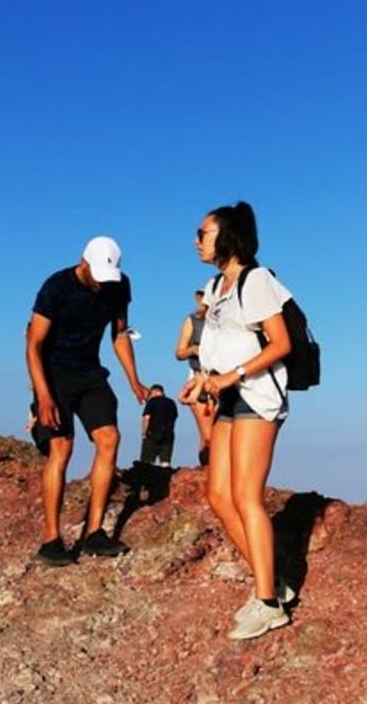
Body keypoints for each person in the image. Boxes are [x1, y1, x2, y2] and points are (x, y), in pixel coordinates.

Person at [180, 201, 296, 641]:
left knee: (246, 495)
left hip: (258, 396)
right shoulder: (215, 288)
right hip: (226, 396)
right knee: (217, 495)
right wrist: (202, 381)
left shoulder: (257, 280)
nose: (196, 240)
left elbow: (281, 343)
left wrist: (232, 375)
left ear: (227, 236)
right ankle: (272, 582)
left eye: (203, 232)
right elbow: (215, 347)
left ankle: (268, 603)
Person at [25, 235, 149, 566]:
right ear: (83, 263)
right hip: (54, 374)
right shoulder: (57, 287)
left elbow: (119, 334)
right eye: (96, 276)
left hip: (90, 373)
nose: (102, 285)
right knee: (61, 447)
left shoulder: (119, 286)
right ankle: (52, 540)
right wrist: (43, 396)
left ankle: (94, 533)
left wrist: (134, 381)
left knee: (109, 438)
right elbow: (33, 343)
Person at [174, 289, 213, 466]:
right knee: (208, 436)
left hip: (224, 383)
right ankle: (207, 474)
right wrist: (194, 350)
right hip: (199, 380)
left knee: (221, 435)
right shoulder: (193, 321)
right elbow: (179, 353)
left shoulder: (227, 322)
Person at [139, 384, 178, 467]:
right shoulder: (171, 403)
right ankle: (165, 478)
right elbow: (174, 418)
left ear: (153, 392)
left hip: (151, 434)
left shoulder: (151, 402)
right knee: (165, 463)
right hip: (168, 435)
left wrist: (144, 433)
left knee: (146, 463)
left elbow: (146, 418)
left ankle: (147, 479)